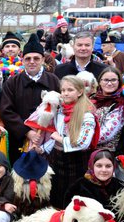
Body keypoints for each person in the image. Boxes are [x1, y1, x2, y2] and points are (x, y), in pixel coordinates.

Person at [0, 33, 61, 162]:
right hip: (19, 139)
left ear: (43, 59)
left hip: (48, 140)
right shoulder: (12, 82)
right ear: (22, 59)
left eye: (36, 58)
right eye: (28, 58)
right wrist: (27, 131)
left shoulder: (53, 81)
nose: (32, 62)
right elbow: (6, 111)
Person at [40, 75, 98, 209]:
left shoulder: (86, 114)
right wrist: (43, 148)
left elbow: (84, 142)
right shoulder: (60, 110)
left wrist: (59, 139)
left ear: (80, 92)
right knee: (56, 194)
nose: (65, 93)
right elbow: (55, 133)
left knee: (72, 196)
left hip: (76, 161)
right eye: (63, 90)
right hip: (57, 158)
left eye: (70, 90)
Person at [93, 67, 124, 153]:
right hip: (86, 150)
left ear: (119, 82)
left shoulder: (121, 104)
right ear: (100, 82)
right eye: (105, 80)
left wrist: (82, 139)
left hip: (106, 154)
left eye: (113, 80)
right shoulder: (92, 99)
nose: (109, 83)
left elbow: (106, 134)